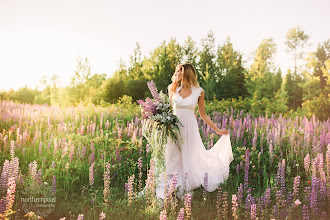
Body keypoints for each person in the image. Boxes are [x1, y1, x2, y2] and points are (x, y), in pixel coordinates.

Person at [154, 63, 234, 200]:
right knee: (172, 155)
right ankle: (171, 183)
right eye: (176, 71)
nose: (176, 73)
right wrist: (161, 121)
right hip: (173, 127)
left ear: (186, 73)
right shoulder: (172, 88)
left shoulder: (199, 91)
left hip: (189, 128)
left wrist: (218, 130)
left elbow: (203, 114)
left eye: (179, 71)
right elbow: (167, 109)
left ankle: (185, 183)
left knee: (189, 155)